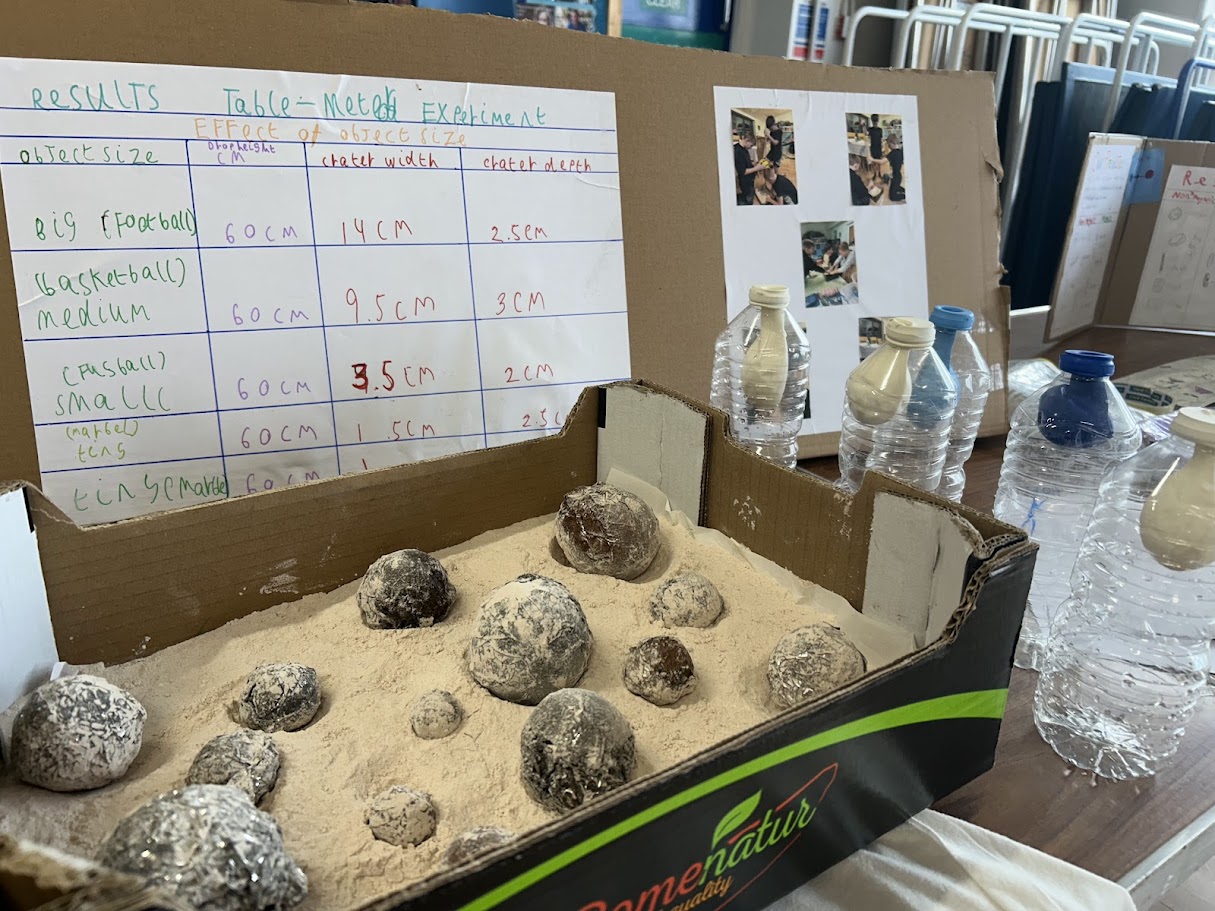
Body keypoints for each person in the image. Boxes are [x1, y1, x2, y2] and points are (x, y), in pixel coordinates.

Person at [733, 133, 764, 205]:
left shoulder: (743, 149)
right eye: (751, 145)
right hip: (745, 181)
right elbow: (743, 172)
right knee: (748, 200)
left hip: (749, 180)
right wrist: (757, 168)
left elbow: (745, 164)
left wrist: (753, 164)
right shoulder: (738, 152)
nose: (751, 147)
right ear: (747, 140)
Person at [888, 133, 905, 202]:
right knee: (895, 188)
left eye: (889, 144)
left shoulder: (893, 153)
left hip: (896, 177)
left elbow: (881, 162)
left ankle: (906, 195)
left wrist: (871, 159)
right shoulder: (901, 151)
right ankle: (906, 191)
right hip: (897, 175)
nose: (888, 146)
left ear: (892, 143)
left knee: (892, 197)